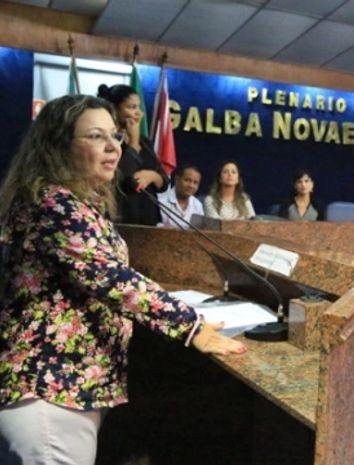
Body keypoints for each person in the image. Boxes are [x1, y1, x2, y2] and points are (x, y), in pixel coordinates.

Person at [0, 95, 246, 465]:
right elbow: (112, 279)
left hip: (69, 386)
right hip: (49, 390)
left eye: (114, 135)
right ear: (57, 145)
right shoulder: (55, 205)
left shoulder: (75, 202)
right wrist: (190, 325)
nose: (113, 146)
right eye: (95, 136)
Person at [97, 84, 168, 225]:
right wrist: (133, 142)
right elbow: (125, 179)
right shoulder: (108, 141)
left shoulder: (144, 142)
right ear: (114, 109)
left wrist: (152, 176)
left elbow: (165, 182)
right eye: (131, 107)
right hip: (121, 217)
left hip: (148, 219)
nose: (138, 113)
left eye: (138, 107)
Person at [157, 164, 204, 228]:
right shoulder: (160, 201)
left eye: (195, 183)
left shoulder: (198, 205)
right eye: (187, 180)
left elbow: (199, 230)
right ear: (177, 179)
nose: (191, 186)